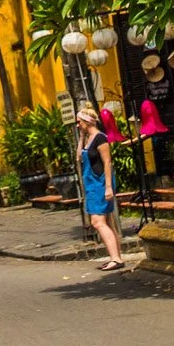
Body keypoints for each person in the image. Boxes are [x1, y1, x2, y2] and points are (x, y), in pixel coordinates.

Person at [76, 105, 125, 270]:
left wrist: (109, 187)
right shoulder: (88, 139)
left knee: (97, 222)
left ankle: (115, 258)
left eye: (79, 122)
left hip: (100, 183)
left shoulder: (100, 138)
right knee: (107, 222)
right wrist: (81, 137)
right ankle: (116, 256)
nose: (77, 125)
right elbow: (79, 157)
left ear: (87, 122)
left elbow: (107, 162)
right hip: (91, 184)